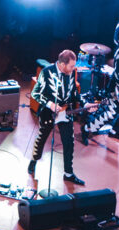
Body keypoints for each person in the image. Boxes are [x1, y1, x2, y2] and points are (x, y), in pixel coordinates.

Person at [28, 49, 86, 186]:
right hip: (48, 112)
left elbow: (73, 93)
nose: (73, 68)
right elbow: (35, 93)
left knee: (69, 142)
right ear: (61, 64)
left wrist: (85, 102)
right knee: (42, 138)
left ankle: (68, 173)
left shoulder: (71, 73)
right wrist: (50, 104)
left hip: (65, 111)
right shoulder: (47, 72)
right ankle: (34, 161)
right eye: (71, 66)